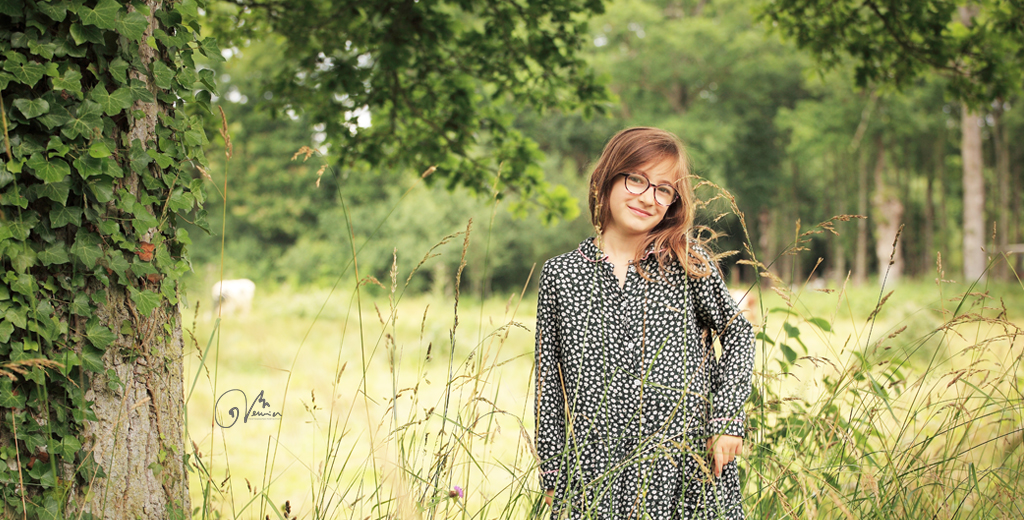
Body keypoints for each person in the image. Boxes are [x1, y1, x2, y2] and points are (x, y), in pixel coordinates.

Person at [534, 127, 754, 519]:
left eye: (663, 189)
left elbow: (738, 333)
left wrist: (727, 418)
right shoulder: (560, 276)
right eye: (636, 179)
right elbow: (549, 384)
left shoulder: (687, 261)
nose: (648, 197)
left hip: (686, 467)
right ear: (607, 178)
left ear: (673, 202)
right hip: (596, 472)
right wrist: (552, 473)